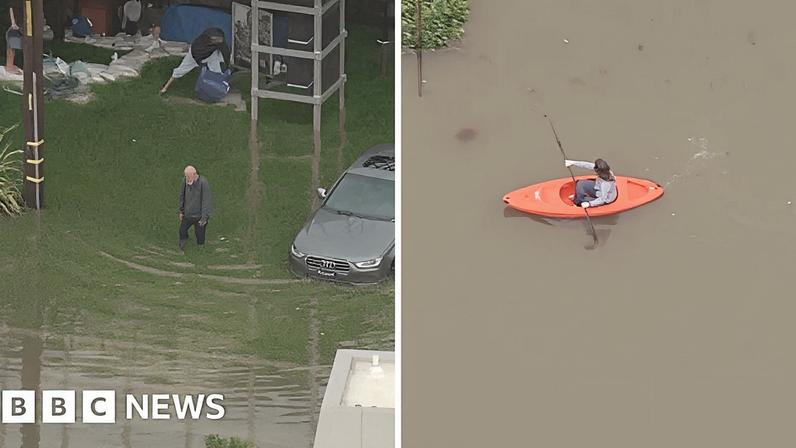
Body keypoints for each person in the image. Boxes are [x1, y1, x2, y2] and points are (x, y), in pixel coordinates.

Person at [160, 27, 230, 94]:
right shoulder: (197, 45)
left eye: (219, 39)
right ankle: (165, 87)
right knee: (181, 69)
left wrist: (226, 66)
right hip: (193, 57)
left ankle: (218, 87)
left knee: (216, 70)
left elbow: (225, 52)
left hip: (209, 56)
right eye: (214, 39)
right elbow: (196, 53)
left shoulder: (218, 45)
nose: (217, 41)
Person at [178, 165, 213, 250]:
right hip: (188, 214)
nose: (187, 179)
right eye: (186, 177)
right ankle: (184, 241)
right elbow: (182, 195)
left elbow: (206, 201)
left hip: (199, 216)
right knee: (182, 231)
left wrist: (204, 218)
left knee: (200, 235)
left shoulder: (203, 183)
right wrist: (181, 211)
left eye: (189, 177)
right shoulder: (185, 181)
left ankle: (200, 248)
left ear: (194, 174)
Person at [5, 7, 22, 76]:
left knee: (12, 49)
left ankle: (10, 65)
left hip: (15, 30)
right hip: (13, 30)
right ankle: (9, 66)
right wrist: (14, 24)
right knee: (11, 49)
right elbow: (11, 9)